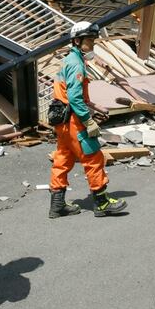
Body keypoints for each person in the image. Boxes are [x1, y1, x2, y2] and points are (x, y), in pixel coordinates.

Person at [48, 21, 127, 218]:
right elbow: (74, 98)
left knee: (62, 159)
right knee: (93, 157)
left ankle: (57, 205)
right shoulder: (76, 64)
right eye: (89, 40)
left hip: (62, 121)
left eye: (93, 40)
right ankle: (101, 203)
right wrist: (88, 121)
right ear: (77, 41)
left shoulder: (69, 60)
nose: (93, 44)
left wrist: (94, 106)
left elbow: (71, 94)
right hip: (74, 120)